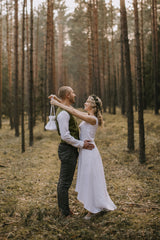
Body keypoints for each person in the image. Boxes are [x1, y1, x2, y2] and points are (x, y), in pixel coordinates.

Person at [51, 93, 117, 220]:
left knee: (90, 180)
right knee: (88, 179)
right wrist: (59, 100)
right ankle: (92, 206)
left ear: (92, 106)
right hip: (85, 151)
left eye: (87, 102)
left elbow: (73, 112)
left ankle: (92, 210)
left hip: (90, 152)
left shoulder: (92, 119)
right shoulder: (88, 116)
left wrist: (57, 103)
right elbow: (73, 110)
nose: (85, 103)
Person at [49, 86, 94, 217]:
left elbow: (71, 110)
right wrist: (81, 144)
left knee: (64, 181)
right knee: (64, 182)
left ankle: (64, 210)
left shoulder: (65, 110)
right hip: (67, 150)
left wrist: (57, 99)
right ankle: (65, 212)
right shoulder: (63, 113)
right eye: (73, 92)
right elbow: (65, 136)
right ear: (68, 95)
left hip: (69, 150)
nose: (75, 94)